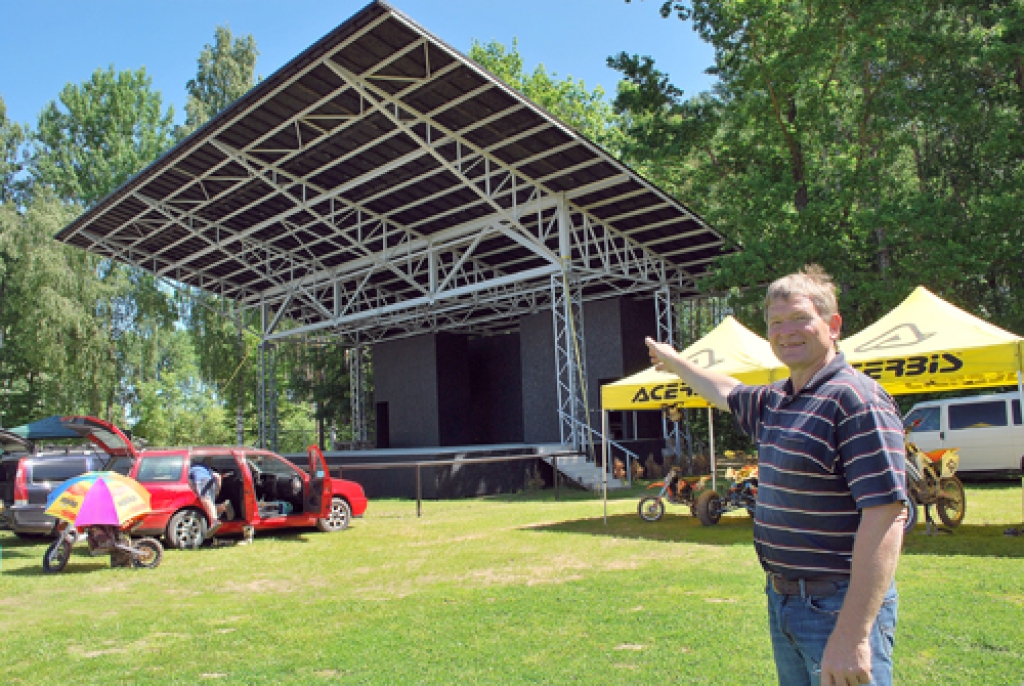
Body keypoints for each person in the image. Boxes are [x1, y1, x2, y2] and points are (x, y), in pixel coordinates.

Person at [646, 266, 907, 686]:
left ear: (833, 325)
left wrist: (854, 633)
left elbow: (886, 515)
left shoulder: (856, 400)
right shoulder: (780, 400)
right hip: (785, 601)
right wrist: (677, 363)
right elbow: (726, 390)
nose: (786, 332)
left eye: (800, 318)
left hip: (836, 607)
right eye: (775, 322)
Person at [188, 461, 224, 538]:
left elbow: (190, 483)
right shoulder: (206, 468)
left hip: (201, 481)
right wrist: (217, 491)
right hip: (212, 482)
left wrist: (197, 493)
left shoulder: (190, 469)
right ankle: (222, 507)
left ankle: (214, 521)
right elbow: (218, 476)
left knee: (205, 500)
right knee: (210, 504)